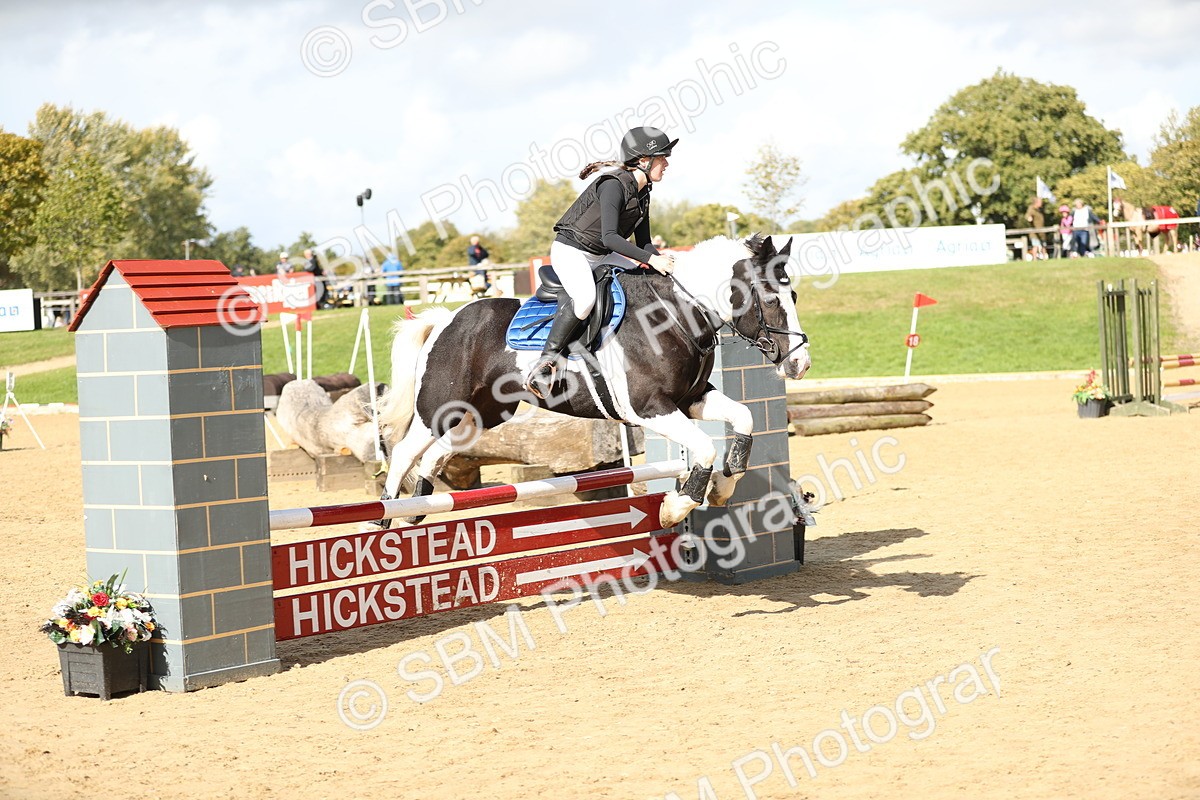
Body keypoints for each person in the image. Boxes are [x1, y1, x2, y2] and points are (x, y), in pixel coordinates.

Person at [524, 125, 679, 399]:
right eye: (663, 157)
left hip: (602, 253)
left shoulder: (644, 192)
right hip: (572, 251)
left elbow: (644, 243)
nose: (666, 163)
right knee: (584, 299)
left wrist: (662, 263)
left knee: (648, 283)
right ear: (644, 160)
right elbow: (609, 237)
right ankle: (545, 364)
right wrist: (652, 260)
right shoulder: (613, 185)